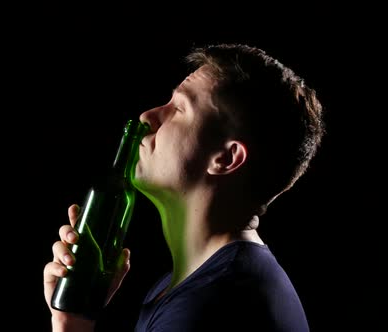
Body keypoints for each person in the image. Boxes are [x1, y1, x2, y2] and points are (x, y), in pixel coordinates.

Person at [43, 43, 325, 331]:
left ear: (226, 158)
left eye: (178, 108)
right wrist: (70, 321)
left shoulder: (212, 305)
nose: (147, 117)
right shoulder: (196, 282)